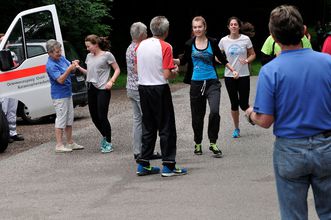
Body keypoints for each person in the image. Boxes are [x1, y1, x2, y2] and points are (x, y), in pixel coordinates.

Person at [245, 5, 331, 219]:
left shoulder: (270, 71)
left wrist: (250, 114)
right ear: (303, 31)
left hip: (290, 150)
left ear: (273, 36)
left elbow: (265, 120)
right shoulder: (328, 62)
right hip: (327, 146)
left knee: (293, 215)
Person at [174, 16, 237, 157]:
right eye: (195, 27)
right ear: (193, 29)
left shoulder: (213, 42)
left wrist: (233, 70)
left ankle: (213, 143)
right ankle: (197, 142)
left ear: (205, 27)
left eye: (199, 27)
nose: (197, 29)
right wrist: (169, 60)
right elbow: (182, 61)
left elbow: (222, 58)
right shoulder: (189, 44)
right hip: (196, 83)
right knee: (198, 116)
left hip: (212, 82)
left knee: (214, 112)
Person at [135, 16, 187, 177]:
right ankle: (169, 165)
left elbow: (137, 69)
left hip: (143, 88)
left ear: (151, 29)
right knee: (166, 126)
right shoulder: (166, 46)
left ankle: (143, 163)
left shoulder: (140, 45)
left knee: (148, 126)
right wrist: (175, 72)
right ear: (166, 31)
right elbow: (166, 74)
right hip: (159, 89)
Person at [75, 35, 120, 153]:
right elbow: (89, 73)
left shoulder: (107, 55)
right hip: (91, 88)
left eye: (88, 46)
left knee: (102, 116)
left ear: (96, 45)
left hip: (103, 89)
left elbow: (117, 69)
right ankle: (105, 137)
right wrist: (79, 67)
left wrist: (111, 81)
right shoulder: (89, 56)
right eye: (86, 47)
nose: (87, 49)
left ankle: (108, 142)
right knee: (94, 117)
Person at [125, 22, 161, 160]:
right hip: (140, 88)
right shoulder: (138, 48)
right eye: (146, 32)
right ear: (141, 35)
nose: (147, 34)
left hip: (131, 87)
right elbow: (137, 69)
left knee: (137, 120)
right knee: (148, 120)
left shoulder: (130, 48)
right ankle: (146, 151)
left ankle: (137, 150)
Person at [218, 16, 256, 138]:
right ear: (228, 27)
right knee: (234, 103)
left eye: (235, 24)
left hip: (244, 75)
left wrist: (246, 60)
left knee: (243, 104)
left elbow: (253, 55)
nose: (233, 26)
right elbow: (217, 56)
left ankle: (252, 115)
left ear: (239, 26)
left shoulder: (245, 39)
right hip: (229, 75)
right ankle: (236, 128)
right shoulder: (223, 41)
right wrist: (223, 62)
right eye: (231, 24)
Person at [46, 39, 84, 153]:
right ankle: (59, 145)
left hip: (68, 93)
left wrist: (74, 65)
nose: (60, 53)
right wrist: (69, 69)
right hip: (59, 95)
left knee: (69, 118)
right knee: (61, 119)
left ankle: (70, 142)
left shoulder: (61, 58)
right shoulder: (50, 65)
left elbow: (71, 69)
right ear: (50, 53)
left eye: (60, 50)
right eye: (57, 52)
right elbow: (60, 80)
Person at [0, 33, 24, 144]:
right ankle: (4, 134)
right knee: (3, 110)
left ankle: (13, 133)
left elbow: (17, 65)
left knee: (12, 109)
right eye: (2, 40)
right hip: (2, 86)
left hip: (12, 84)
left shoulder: (12, 53)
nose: (5, 42)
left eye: (5, 40)